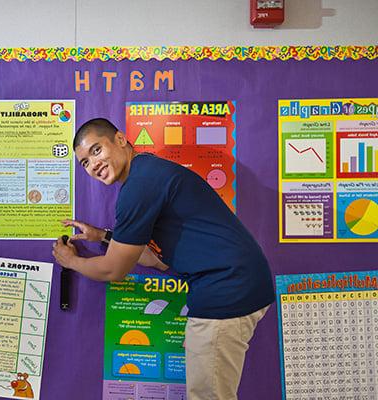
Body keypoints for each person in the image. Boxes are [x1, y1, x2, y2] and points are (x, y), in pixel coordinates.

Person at [52, 118, 274, 400]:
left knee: (208, 396)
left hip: (227, 290)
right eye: (84, 163)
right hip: (235, 285)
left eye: (96, 150)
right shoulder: (146, 172)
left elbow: (114, 270)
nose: (93, 164)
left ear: (120, 139)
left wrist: (70, 261)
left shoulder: (140, 185)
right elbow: (149, 257)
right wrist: (104, 236)